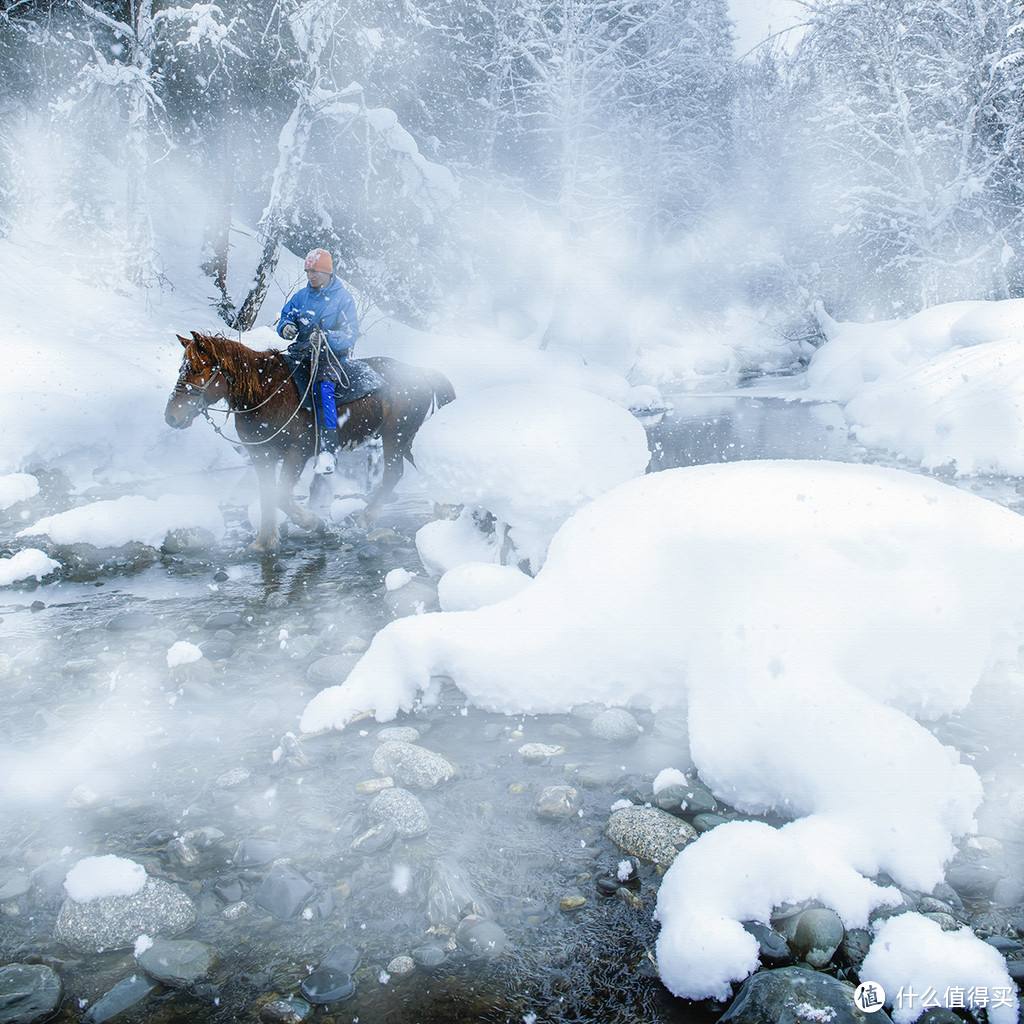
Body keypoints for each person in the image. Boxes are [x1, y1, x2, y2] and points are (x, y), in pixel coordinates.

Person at [277, 248, 359, 474]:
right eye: (308, 271)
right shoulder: (300, 297)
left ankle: (327, 451)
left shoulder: (342, 299)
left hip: (330, 358)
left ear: (327, 273)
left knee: (323, 390)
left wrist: (326, 338)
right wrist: (286, 327)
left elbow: (350, 333)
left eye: (314, 272)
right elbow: (285, 317)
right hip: (301, 353)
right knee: (274, 379)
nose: (310, 276)